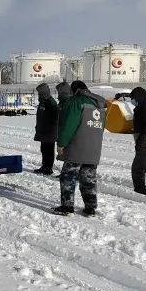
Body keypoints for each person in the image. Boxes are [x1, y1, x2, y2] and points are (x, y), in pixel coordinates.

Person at [53, 80, 107, 217]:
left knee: (68, 177)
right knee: (88, 178)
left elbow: (68, 125)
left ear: (74, 90)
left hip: (77, 147)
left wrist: (61, 143)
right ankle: (90, 208)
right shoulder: (100, 104)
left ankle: (67, 206)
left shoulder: (75, 102)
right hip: (94, 148)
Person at [33, 83, 58, 175]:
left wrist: (49, 129)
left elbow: (54, 118)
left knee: (49, 150)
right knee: (44, 149)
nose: (38, 94)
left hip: (49, 131)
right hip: (43, 130)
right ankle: (44, 166)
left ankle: (48, 168)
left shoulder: (51, 102)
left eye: (39, 93)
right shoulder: (43, 101)